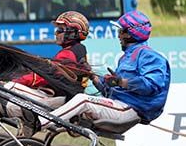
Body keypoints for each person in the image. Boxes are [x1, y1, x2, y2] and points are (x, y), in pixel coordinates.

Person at [40, 11, 171, 132]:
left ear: (130, 34)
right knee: (67, 99)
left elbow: (152, 85)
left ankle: (40, 123)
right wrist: (92, 76)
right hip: (119, 105)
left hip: (130, 110)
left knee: (82, 100)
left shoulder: (150, 56)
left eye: (121, 31)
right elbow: (109, 91)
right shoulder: (126, 57)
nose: (118, 35)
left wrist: (122, 82)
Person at [0, 11, 91, 130]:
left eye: (60, 30)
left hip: (57, 100)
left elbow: (43, 77)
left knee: (8, 87)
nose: (56, 33)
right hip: (61, 97)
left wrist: (18, 80)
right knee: (6, 91)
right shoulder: (77, 50)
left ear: (73, 32)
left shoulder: (68, 54)